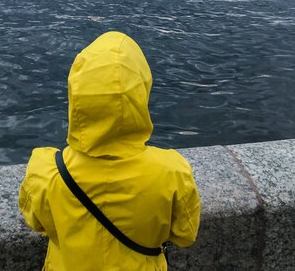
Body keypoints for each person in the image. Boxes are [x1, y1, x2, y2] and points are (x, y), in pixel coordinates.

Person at [19, 31, 200, 270]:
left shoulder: (45, 171)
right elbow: (185, 234)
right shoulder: (172, 172)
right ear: (141, 91)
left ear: (76, 94)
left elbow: (37, 222)